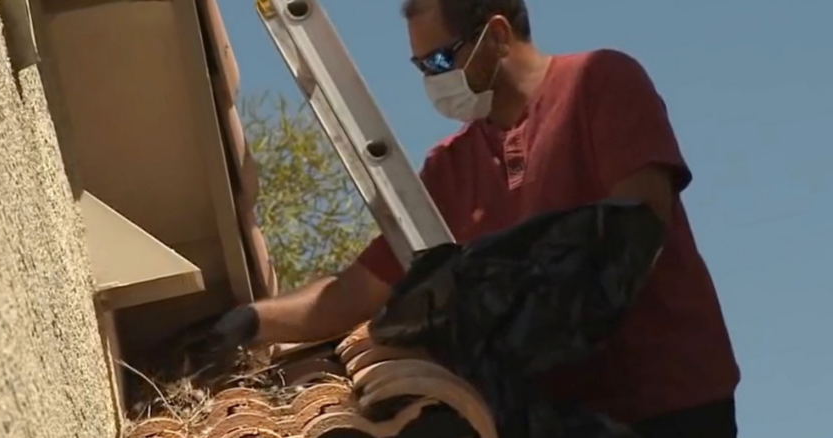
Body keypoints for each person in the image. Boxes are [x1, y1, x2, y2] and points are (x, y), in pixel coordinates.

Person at [202, 0, 740, 436]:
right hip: (563, 418)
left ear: (498, 35)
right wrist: (249, 322)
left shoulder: (600, 82)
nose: (433, 79)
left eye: (441, 60)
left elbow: (637, 222)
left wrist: (486, 276)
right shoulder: (450, 167)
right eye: (421, 67)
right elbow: (352, 293)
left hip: (674, 403)